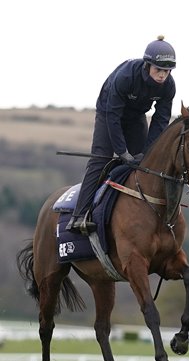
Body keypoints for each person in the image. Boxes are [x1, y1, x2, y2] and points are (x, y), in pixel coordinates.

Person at [66, 35, 176, 234]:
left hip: (135, 116)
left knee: (146, 163)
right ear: (147, 65)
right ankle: (79, 216)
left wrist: (146, 152)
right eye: (158, 70)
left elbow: (160, 121)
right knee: (100, 160)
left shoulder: (169, 86)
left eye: (166, 71)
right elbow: (113, 117)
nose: (162, 75)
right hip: (109, 112)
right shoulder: (126, 77)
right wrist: (122, 152)